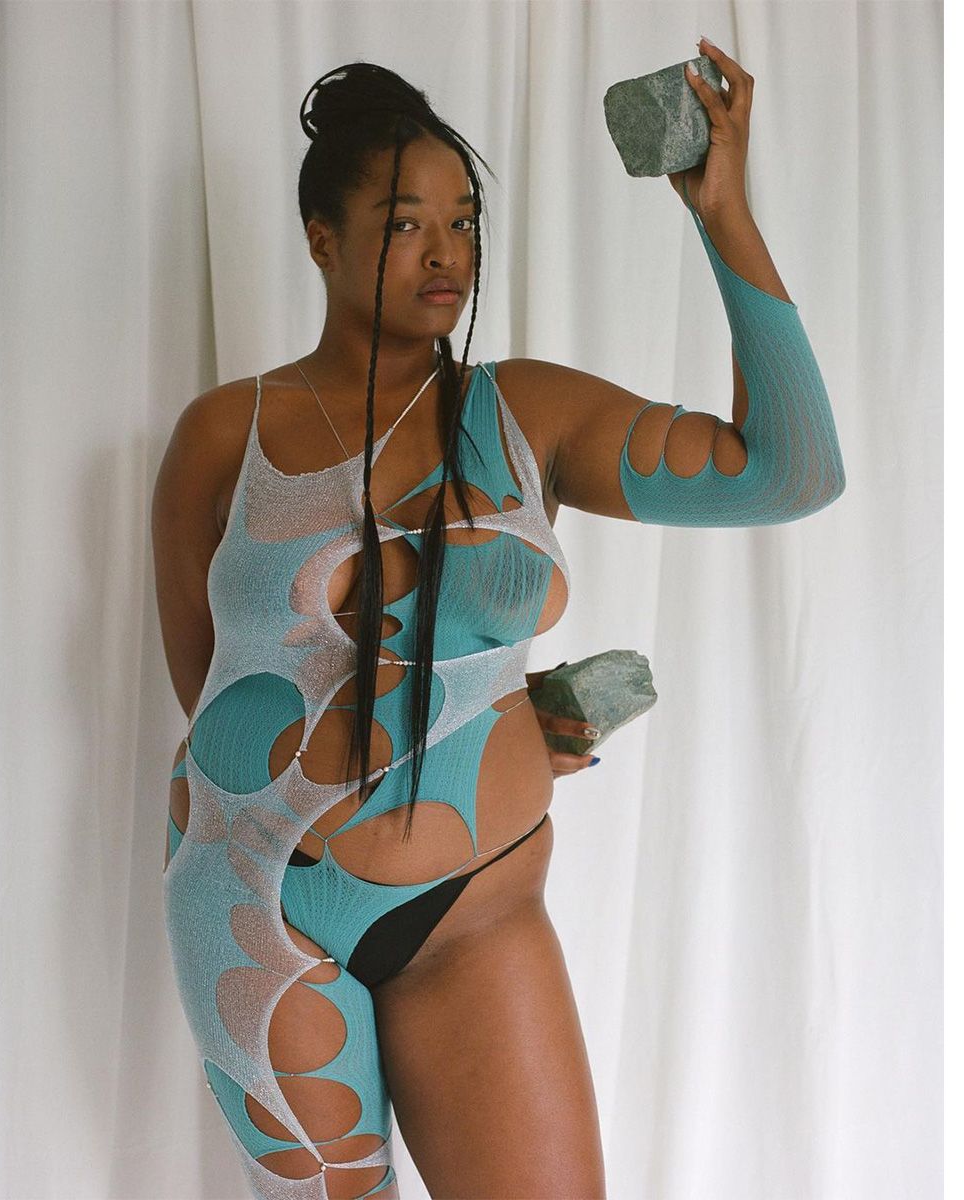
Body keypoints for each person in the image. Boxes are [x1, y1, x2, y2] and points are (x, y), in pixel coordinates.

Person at [151, 48, 844, 1200]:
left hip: (469, 918)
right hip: (251, 904)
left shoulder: (524, 412)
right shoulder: (224, 434)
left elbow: (790, 472)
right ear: (321, 239)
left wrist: (720, 211)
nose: (444, 252)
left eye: (462, 223)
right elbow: (209, 687)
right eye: (404, 224)